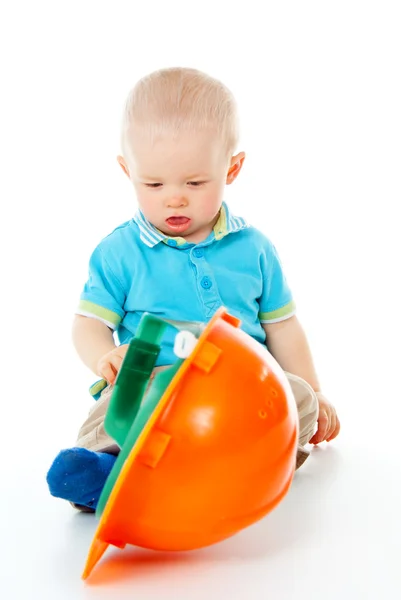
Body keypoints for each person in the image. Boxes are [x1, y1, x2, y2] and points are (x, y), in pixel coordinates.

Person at [46, 67, 340, 512]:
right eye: (154, 184)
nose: (175, 198)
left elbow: (284, 328)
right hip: (155, 385)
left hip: (241, 392)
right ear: (128, 172)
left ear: (233, 168)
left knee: (295, 397)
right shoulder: (120, 252)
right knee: (113, 415)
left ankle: (233, 464)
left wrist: (316, 394)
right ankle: (109, 473)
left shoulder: (254, 249)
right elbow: (87, 323)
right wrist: (103, 356)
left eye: (195, 182)